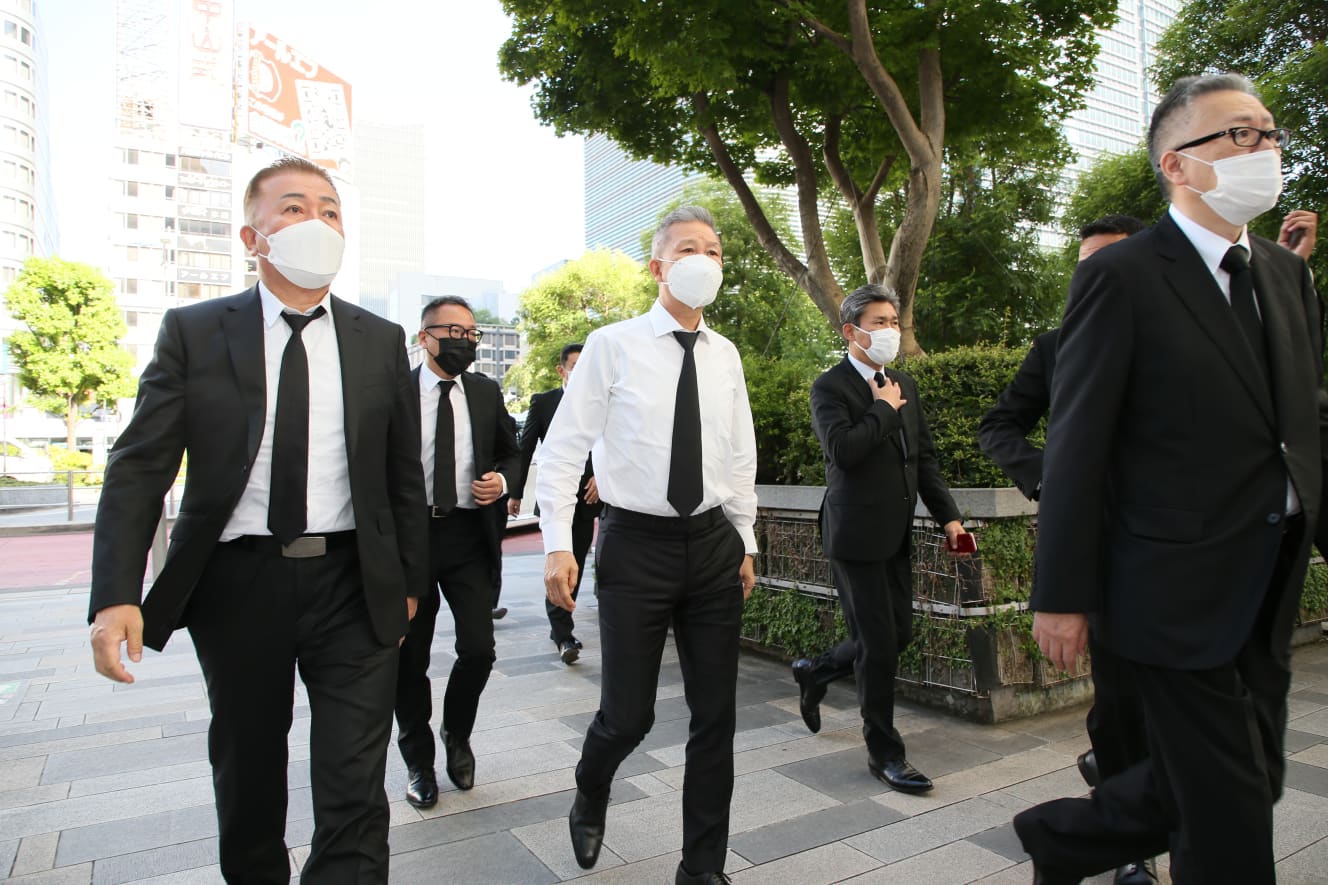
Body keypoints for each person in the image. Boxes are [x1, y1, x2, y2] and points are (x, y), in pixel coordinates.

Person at [1012, 73, 1328, 885]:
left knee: (1252, 776)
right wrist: (1060, 593)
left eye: (1268, 130)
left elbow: (1301, 430)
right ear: (1176, 165)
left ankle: (1065, 839)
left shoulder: (1288, 277)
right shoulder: (1122, 277)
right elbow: (1078, 443)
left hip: (1267, 580)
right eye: (1238, 135)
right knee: (1230, 820)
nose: (1265, 148)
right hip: (1167, 589)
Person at [88, 156, 427, 883]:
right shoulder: (196, 331)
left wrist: (409, 584)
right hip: (238, 583)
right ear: (253, 235)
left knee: (356, 789)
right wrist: (116, 592)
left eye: (331, 210)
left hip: (353, 585)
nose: (318, 222)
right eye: (295, 208)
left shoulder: (379, 338)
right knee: (248, 774)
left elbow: (403, 477)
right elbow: (140, 464)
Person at [538, 205, 757, 885]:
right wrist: (555, 542)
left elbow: (739, 452)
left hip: (714, 543)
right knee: (628, 713)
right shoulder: (613, 344)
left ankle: (702, 868)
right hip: (636, 546)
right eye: (690, 248)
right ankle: (591, 779)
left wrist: (745, 538)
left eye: (715, 250)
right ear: (659, 266)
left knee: (715, 716)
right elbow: (564, 446)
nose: (705, 259)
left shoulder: (726, 356)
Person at [980, 214, 1156, 885]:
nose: (1094, 276)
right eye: (1084, 265)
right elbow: (999, 424)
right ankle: (1129, 848)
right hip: (1108, 555)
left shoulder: (1188, 332)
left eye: (1108, 261)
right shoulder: (1057, 346)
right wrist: (1047, 473)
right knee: (1122, 708)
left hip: (1190, 556)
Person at [789, 284, 969, 795]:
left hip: (897, 534)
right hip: (853, 535)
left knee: (897, 636)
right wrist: (884, 409)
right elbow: (844, 450)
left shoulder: (903, 382)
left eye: (894, 320)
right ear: (851, 331)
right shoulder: (831, 387)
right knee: (879, 647)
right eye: (879, 321)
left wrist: (949, 519)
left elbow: (923, 459)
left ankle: (817, 670)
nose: (890, 329)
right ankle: (885, 754)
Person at [394, 296, 519, 809]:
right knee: (409, 660)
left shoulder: (486, 392)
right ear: (424, 336)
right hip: (411, 540)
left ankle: (456, 733)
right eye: (452, 330)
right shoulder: (394, 392)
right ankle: (418, 763)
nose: (464, 340)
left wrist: (503, 479)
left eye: (471, 333)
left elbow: (512, 447)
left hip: (468, 537)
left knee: (479, 648)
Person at [509, 343, 602, 664]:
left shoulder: (601, 402)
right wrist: (516, 492)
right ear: (562, 370)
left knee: (578, 559)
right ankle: (563, 633)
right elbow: (525, 449)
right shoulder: (545, 402)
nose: (581, 372)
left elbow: (615, 444)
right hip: (556, 500)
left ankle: (563, 623)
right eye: (575, 366)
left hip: (590, 499)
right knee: (561, 563)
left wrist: (602, 475)